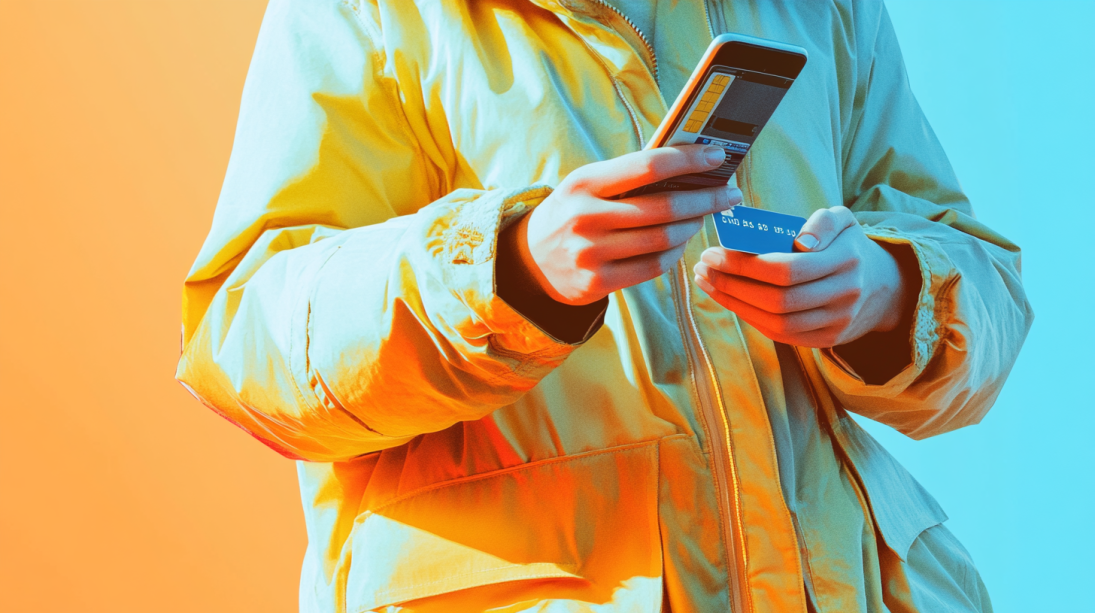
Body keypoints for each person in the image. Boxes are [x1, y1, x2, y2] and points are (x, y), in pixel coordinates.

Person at [175, 0, 1033, 611]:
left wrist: (886, 291)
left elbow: (984, 280)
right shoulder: (368, 13)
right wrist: (508, 265)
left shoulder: (820, 9)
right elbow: (247, 337)